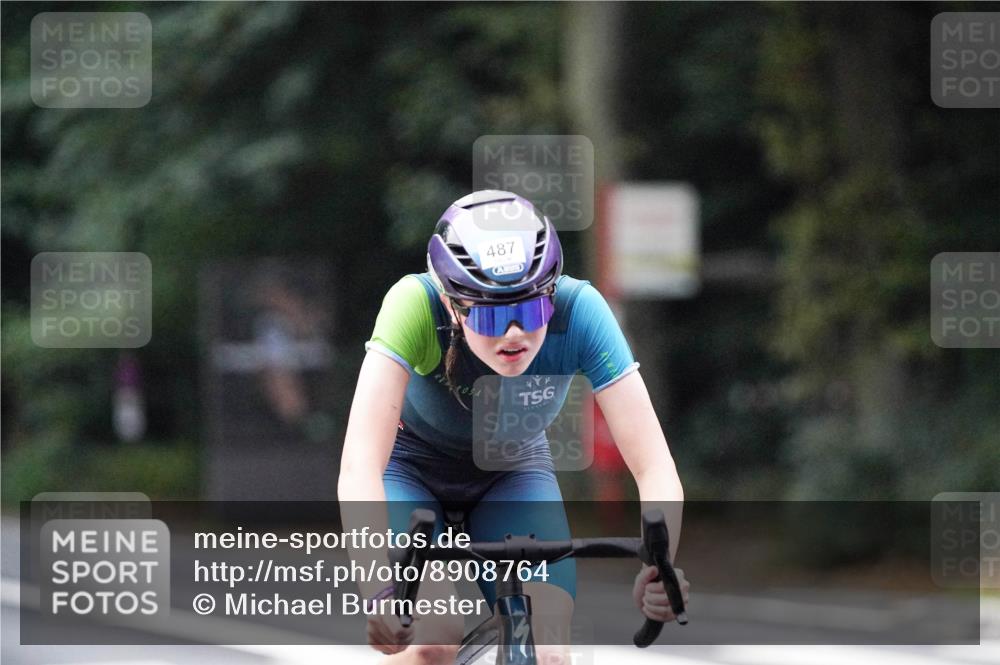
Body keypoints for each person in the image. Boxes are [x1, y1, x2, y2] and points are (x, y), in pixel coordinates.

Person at [339, 190, 688, 665]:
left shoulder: (580, 311)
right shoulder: (414, 305)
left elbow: (653, 464)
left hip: (512, 471)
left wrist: (659, 569)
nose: (514, 335)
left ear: (552, 294)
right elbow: (360, 464)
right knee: (431, 639)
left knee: (549, 653)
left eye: (529, 310)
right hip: (410, 472)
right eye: (491, 313)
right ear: (452, 304)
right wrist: (378, 588)